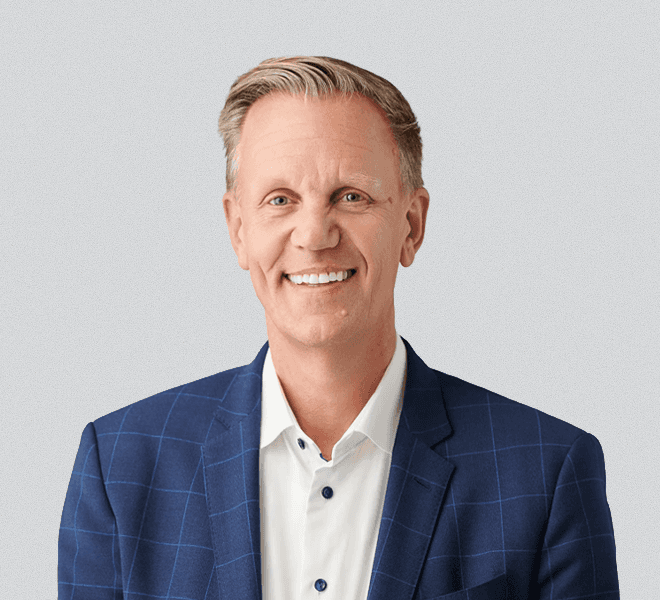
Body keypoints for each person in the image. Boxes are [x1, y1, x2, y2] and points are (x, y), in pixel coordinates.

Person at [59, 56, 619, 599]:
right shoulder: (122, 469)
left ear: (411, 225)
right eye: (280, 199)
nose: (314, 234)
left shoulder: (545, 474)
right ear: (238, 230)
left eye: (351, 197)